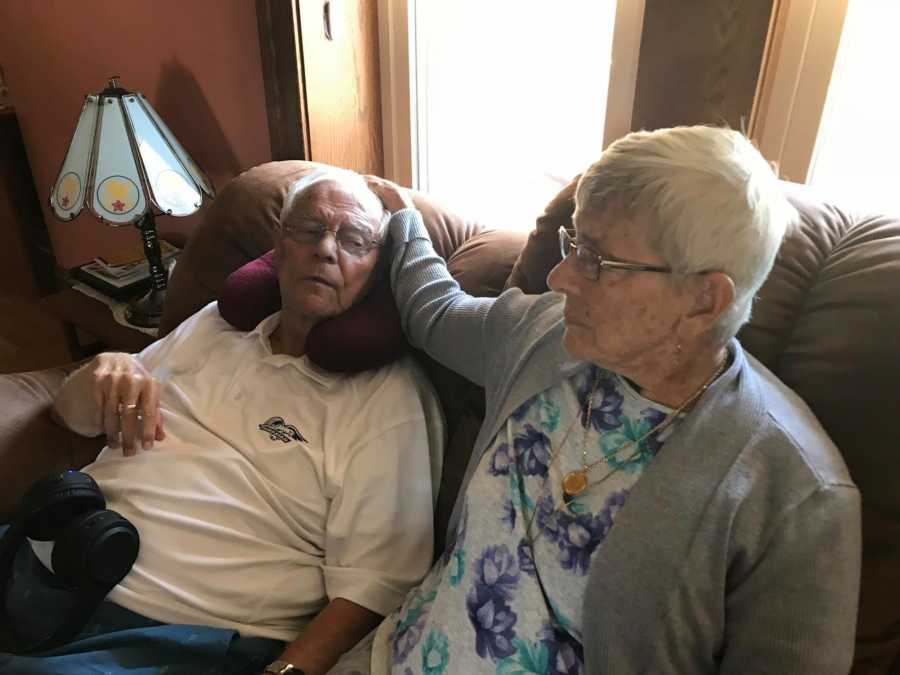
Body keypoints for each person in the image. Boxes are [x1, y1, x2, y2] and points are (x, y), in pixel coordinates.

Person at [366, 126, 862, 674]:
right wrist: (400, 215)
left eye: (597, 261)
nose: (559, 278)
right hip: (391, 657)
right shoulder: (543, 336)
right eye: (574, 245)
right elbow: (432, 311)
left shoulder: (798, 498)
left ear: (704, 299)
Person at [1, 167, 442, 675]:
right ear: (278, 244)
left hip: (176, 634)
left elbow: (375, 586)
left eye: (355, 240)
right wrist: (101, 369)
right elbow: (73, 420)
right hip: (49, 553)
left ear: (376, 268)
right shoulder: (214, 324)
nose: (326, 249)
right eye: (309, 230)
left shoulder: (388, 399)